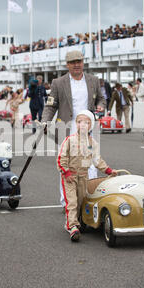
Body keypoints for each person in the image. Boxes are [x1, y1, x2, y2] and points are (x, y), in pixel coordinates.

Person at [41, 50, 106, 210]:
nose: (77, 64)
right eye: (73, 62)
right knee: (67, 167)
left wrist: (100, 106)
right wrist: (45, 121)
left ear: (83, 62)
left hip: (88, 130)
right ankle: (68, 203)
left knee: (90, 165)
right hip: (67, 130)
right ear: (67, 64)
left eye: (79, 61)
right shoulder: (58, 82)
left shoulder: (93, 80)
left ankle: (89, 201)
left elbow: (102, 98)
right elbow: (51, 104)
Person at [57, 110, 115, 242]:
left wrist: (109, 171)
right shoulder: (69, 140)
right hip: (69, 177)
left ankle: (79, 222)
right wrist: (66, 172)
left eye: (86, 122)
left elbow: (97, 160)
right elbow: (61, 158)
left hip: (83, 176)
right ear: (76, 124)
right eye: (79, 122)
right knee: (71, 202)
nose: (82, 125)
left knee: (81, 201)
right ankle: (72, 226)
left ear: (90, 125)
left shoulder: (92, 143)